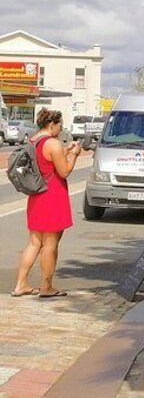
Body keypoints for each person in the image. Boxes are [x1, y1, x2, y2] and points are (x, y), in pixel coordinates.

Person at [11, 109, 81, 298]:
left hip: (36, 195)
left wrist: (64, 150)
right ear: (52, 125)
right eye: (60, 125)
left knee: (34, 242)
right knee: (51, 243)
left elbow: (44, 161)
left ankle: (21, 284)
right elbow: (64, 171)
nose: (61, 128)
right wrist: (74, 154)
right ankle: (46, 286)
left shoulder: (34, 140)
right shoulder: (53, 143)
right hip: (52, 196)